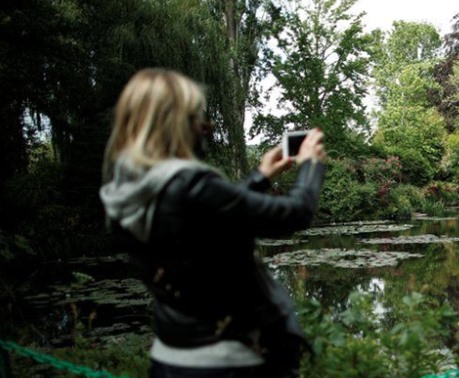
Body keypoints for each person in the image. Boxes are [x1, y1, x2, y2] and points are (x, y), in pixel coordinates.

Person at [99, 68, 326, 378]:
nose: (204, 126)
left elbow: (206, 221)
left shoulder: (127, 190)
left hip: (170, 358)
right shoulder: (191, 183)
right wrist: (311, 166)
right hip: (231, 362)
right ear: (175, 123)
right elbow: (296, 212)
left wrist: (261, 177)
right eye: (195, 116)